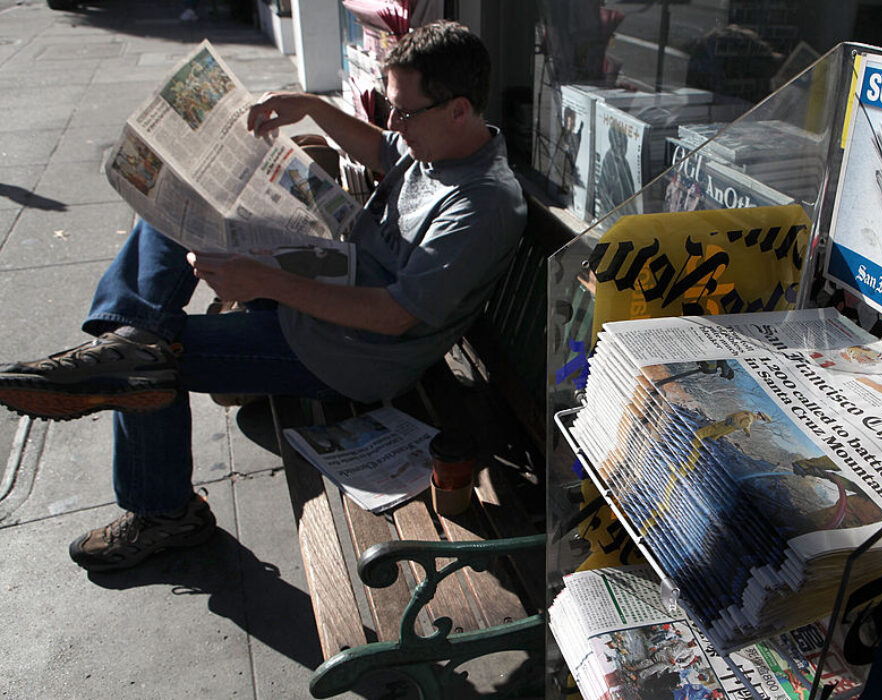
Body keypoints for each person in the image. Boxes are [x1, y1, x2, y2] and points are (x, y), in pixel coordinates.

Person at [0, 21, 526, 572]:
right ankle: (127, 334)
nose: (393, 122)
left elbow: (394, 317)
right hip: (329, 284)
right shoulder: (437, 143)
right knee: (174, 207)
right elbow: (381, 148)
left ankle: (161, 505)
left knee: (153, 369)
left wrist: (264, 281)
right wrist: (308, 106)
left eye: (403, 111)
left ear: (459, 109)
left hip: (352, 353)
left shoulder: (483, 203)